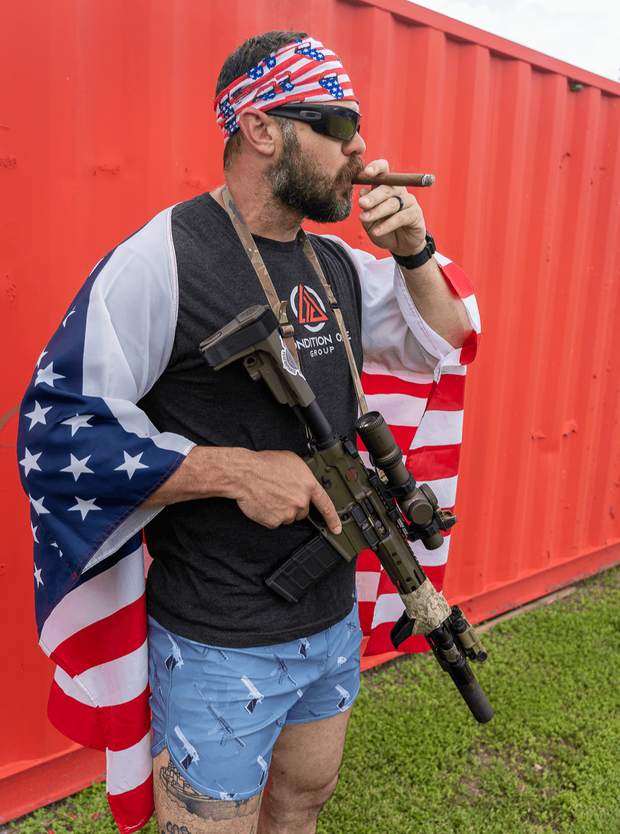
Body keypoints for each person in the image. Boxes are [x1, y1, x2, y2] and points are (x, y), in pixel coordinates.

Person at [18, 30, 473, 834]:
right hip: (217, 640)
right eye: (338, 123)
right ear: (262, 128)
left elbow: (442, 338)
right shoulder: (164, 257)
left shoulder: (336, 265)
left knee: (301, 805)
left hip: (328, 622)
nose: (359, 147)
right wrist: (236, 471)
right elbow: (58, 431)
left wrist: (414, 252)